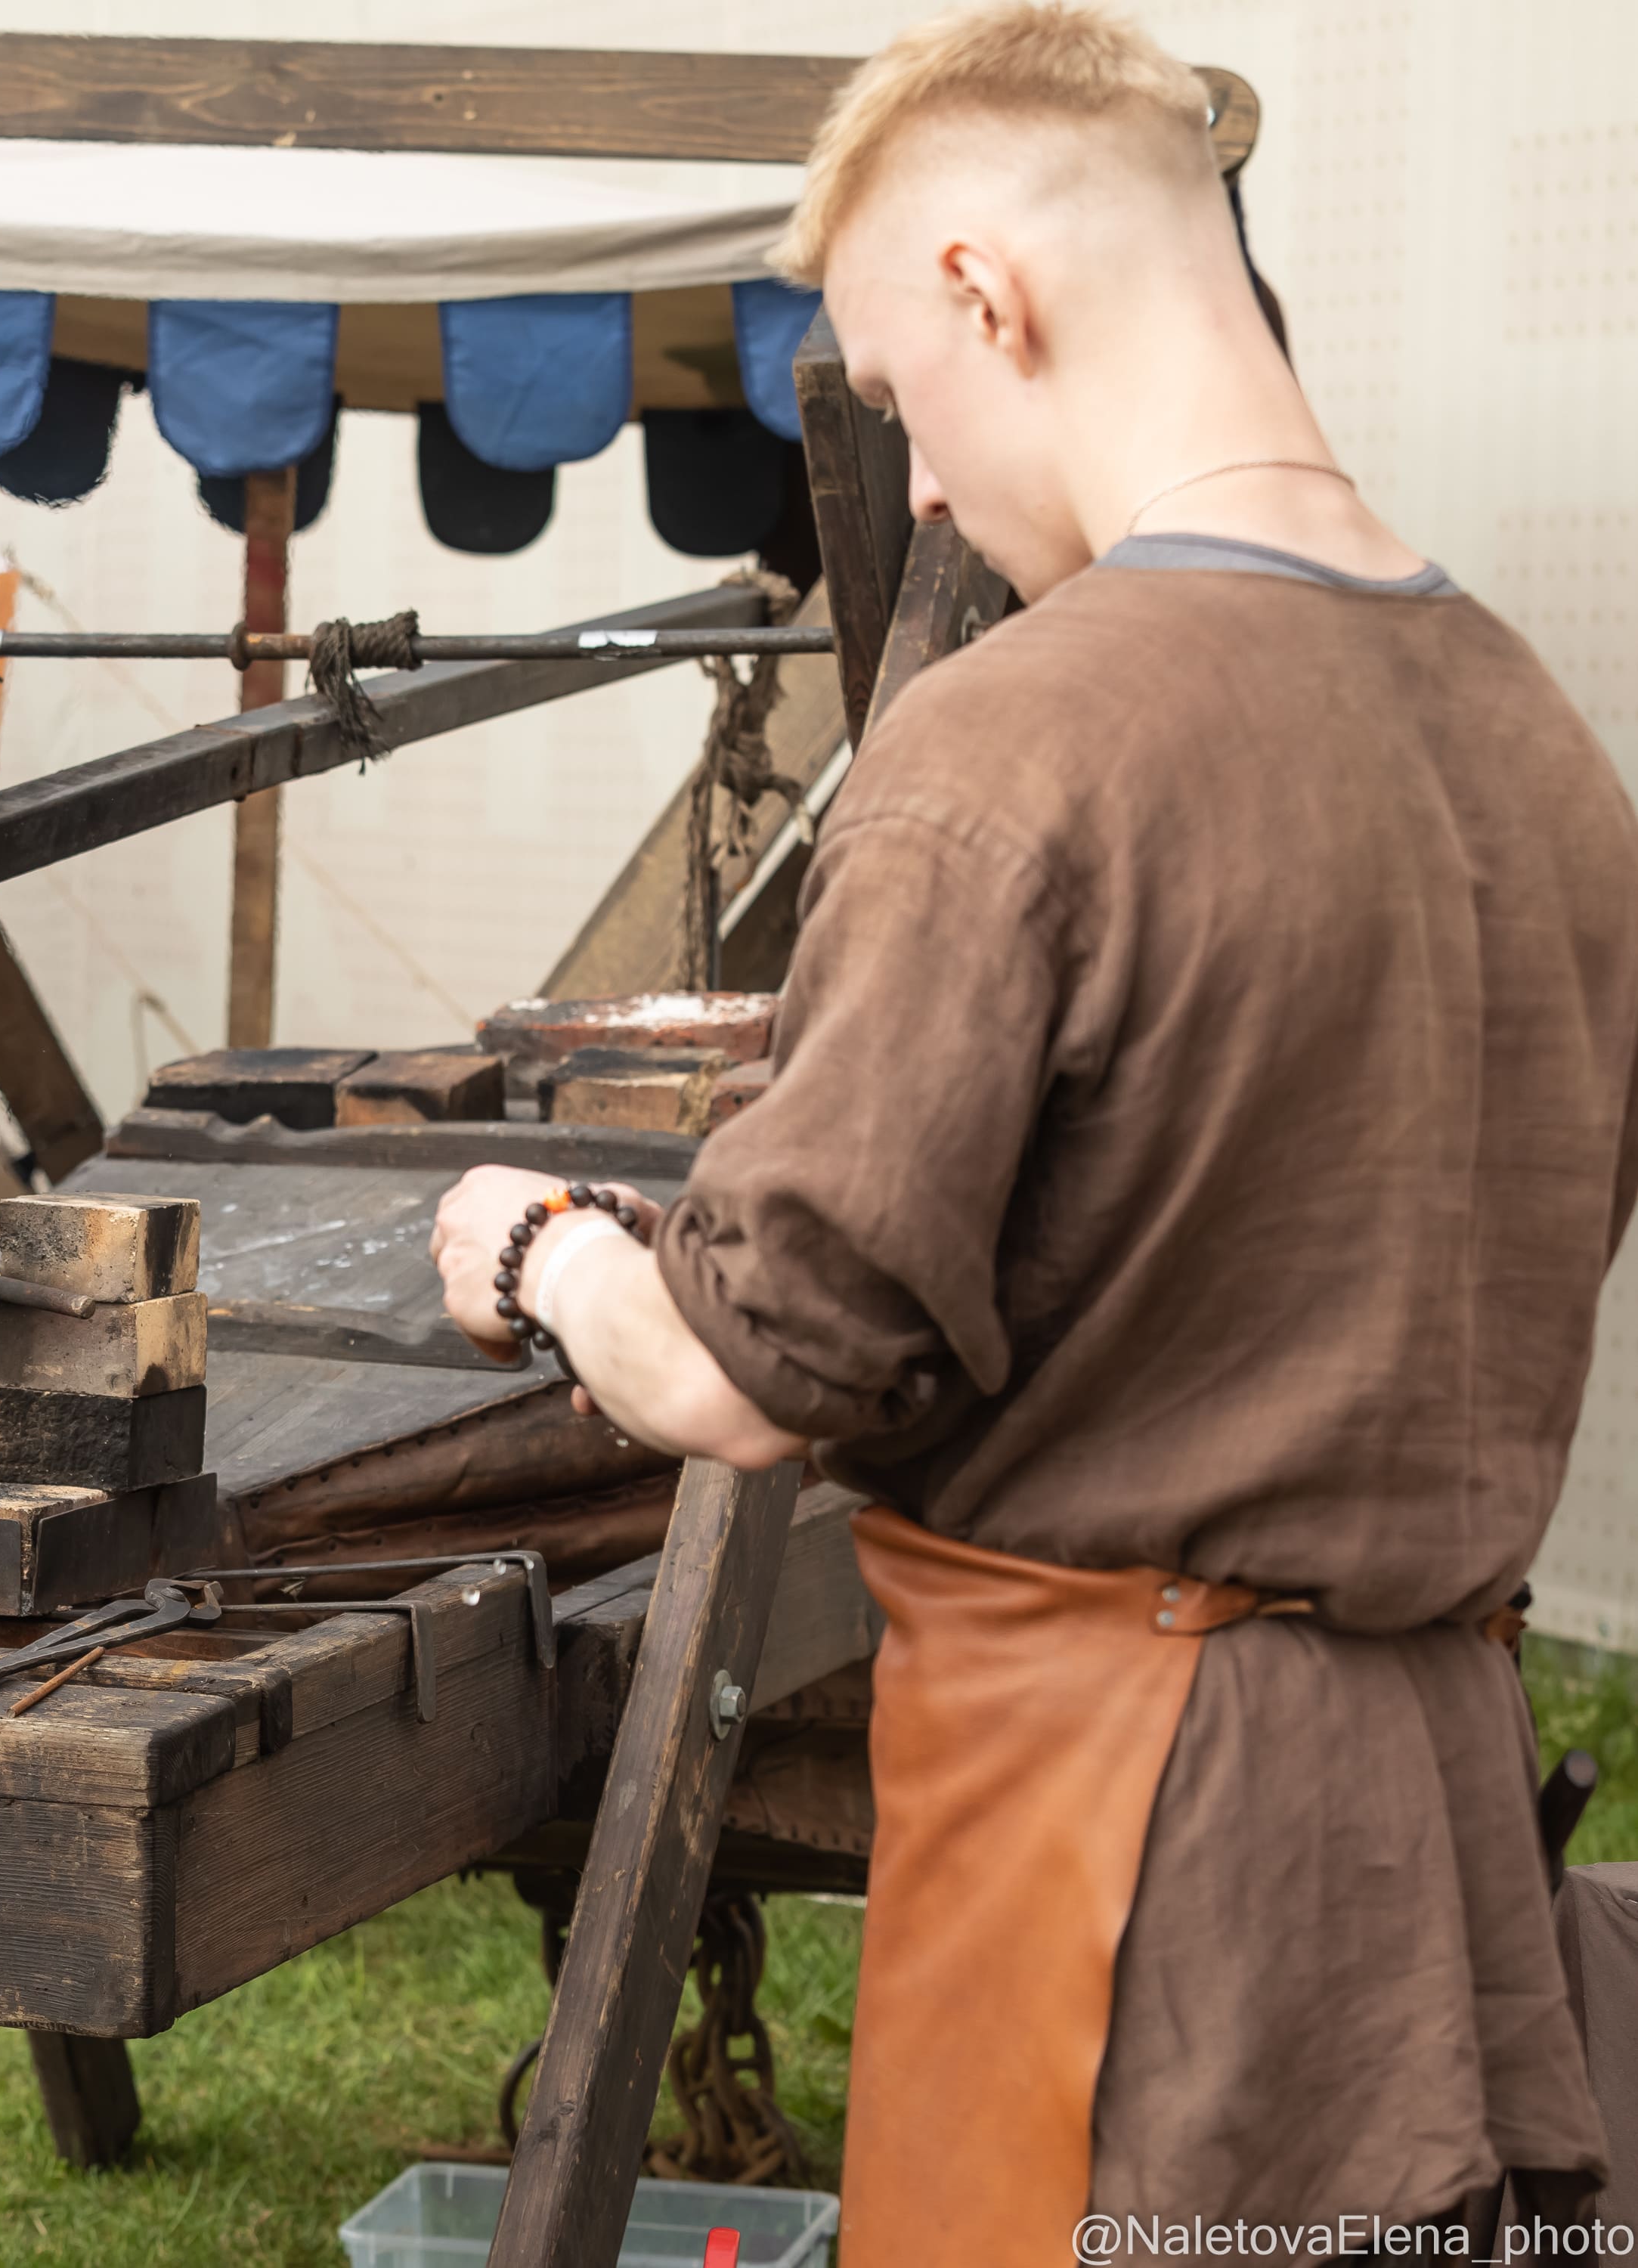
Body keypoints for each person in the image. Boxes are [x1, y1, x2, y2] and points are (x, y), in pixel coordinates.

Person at [432, 5, 1636, 2256]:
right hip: (1443, 1835)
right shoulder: (1544, 741)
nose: (913, 485)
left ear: (990, 290)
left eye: (895, 398)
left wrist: (537, 1249)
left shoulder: (1017, 747)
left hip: (1138, 1864)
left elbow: (737, 1369)